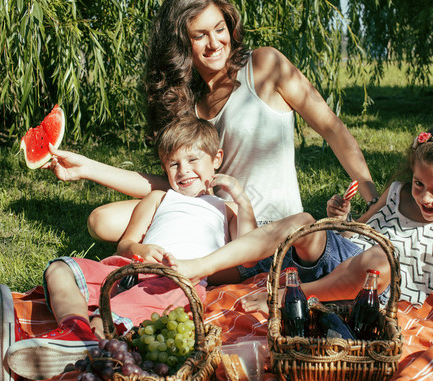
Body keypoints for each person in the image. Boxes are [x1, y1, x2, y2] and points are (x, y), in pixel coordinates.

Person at [43, 0, 379, 243]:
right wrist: (86, 167)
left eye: (220, 29)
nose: (214, 42)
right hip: (212, 215)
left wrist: (373, 199)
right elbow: (175, 181)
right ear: (181, 42)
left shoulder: (264, 66)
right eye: (200, 35)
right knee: (101, 220)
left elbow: (332, 129)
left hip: (268, 224)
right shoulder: (183, 100)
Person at [0, 116, 277, 381]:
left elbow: (245, 250)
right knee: (60, 268)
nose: (183, 170)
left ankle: (45, 354)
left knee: (108, 318)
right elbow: (126, 243)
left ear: (216, 159)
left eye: (193, 160)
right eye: (173, 164)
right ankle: (74, 330)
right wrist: (139, 247)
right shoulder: (159, 198)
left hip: (172, 281)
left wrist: (240, 197)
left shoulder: (225, 209)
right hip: (124, 267)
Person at [167, 125, 433, 313]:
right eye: (420, 184)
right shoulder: (398, 191)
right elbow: (362, 229)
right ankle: (197, 267)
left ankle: (288, 297)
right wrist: (342, 217)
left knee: (379, 259)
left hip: (371, 290)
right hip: (340, 256)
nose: (425, 196)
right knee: (303, 220)